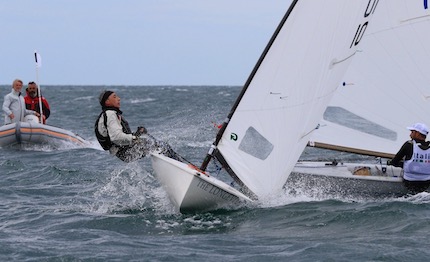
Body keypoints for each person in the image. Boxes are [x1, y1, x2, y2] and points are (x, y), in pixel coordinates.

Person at [95, 90, 179, 163]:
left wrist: (137, 134)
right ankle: (181, 165)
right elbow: (116, 137)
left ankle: (176, 164)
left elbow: (120, 136)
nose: (118, 98)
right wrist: (135, 138)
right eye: (114, 97)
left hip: (125, 149)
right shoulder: (110, 114)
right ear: (107, 102)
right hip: (126, 152)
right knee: (162, 146)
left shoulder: (110, 114)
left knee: (157, 146)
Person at [388, 123, 430, 193]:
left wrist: (403, 165)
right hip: (427, 182)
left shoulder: (409, 145)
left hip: (409, 182)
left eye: (412, 132)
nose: (410, 134)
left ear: (418, 134)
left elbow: (394, 162)